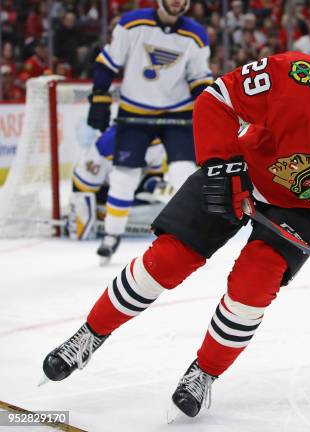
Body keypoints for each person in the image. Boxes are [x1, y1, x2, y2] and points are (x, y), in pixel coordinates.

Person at [42, 33, 310, 420]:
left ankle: (203, 373)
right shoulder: (295, 75)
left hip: (300, 210)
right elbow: (217, 97)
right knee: (167, 261)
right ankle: (89, 334)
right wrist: (221, 163)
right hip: (237, 173)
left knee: (253, 287)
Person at [87, 0, 212, 263]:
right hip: (135, 111)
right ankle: (112, 234)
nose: (178, 2)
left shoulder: (196, 34)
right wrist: (99, 96)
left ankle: (188, 234)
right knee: (124, 175)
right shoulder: (132, 23)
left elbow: (200, 78)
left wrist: (207, 110)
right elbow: (108, 63)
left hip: (176, 111)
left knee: (183, 173)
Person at [68, 125, 167, 241]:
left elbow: (150, 178)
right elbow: (82, 187)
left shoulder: (157, 140)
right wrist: (83, 217)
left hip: (131, 196)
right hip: (103, 201)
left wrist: (169, 193)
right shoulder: (107, 145)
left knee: (169, 209)